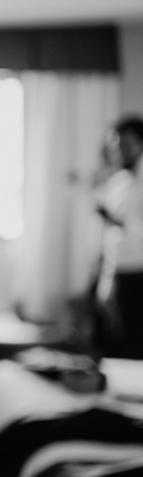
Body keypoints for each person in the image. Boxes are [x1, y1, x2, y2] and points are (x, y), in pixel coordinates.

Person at [105, 116, 143, 358]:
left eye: (127, 144)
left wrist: (122, 222)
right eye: (117, 145)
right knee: (119, 342)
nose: (121, 151)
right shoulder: (116, 183)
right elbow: (110, 236)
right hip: (119, 271)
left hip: (140, 271)